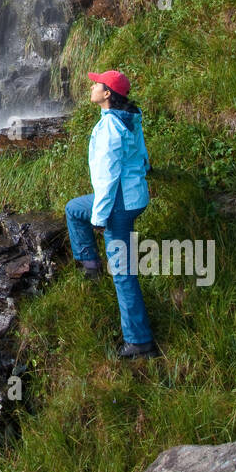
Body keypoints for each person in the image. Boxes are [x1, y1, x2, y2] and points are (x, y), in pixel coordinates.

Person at [64, 70, 158, 359]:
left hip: (118, 203)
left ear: (107, 94)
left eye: (97, 84)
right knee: (73, 208)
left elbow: (107, 177)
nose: (91, 86)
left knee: (123, 273)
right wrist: (145, 169)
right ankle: (89, 264)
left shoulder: (109, 129)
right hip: (134, 198)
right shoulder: (129, 117)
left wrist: (100, 218)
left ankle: (139, 342)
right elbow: (141, 154)